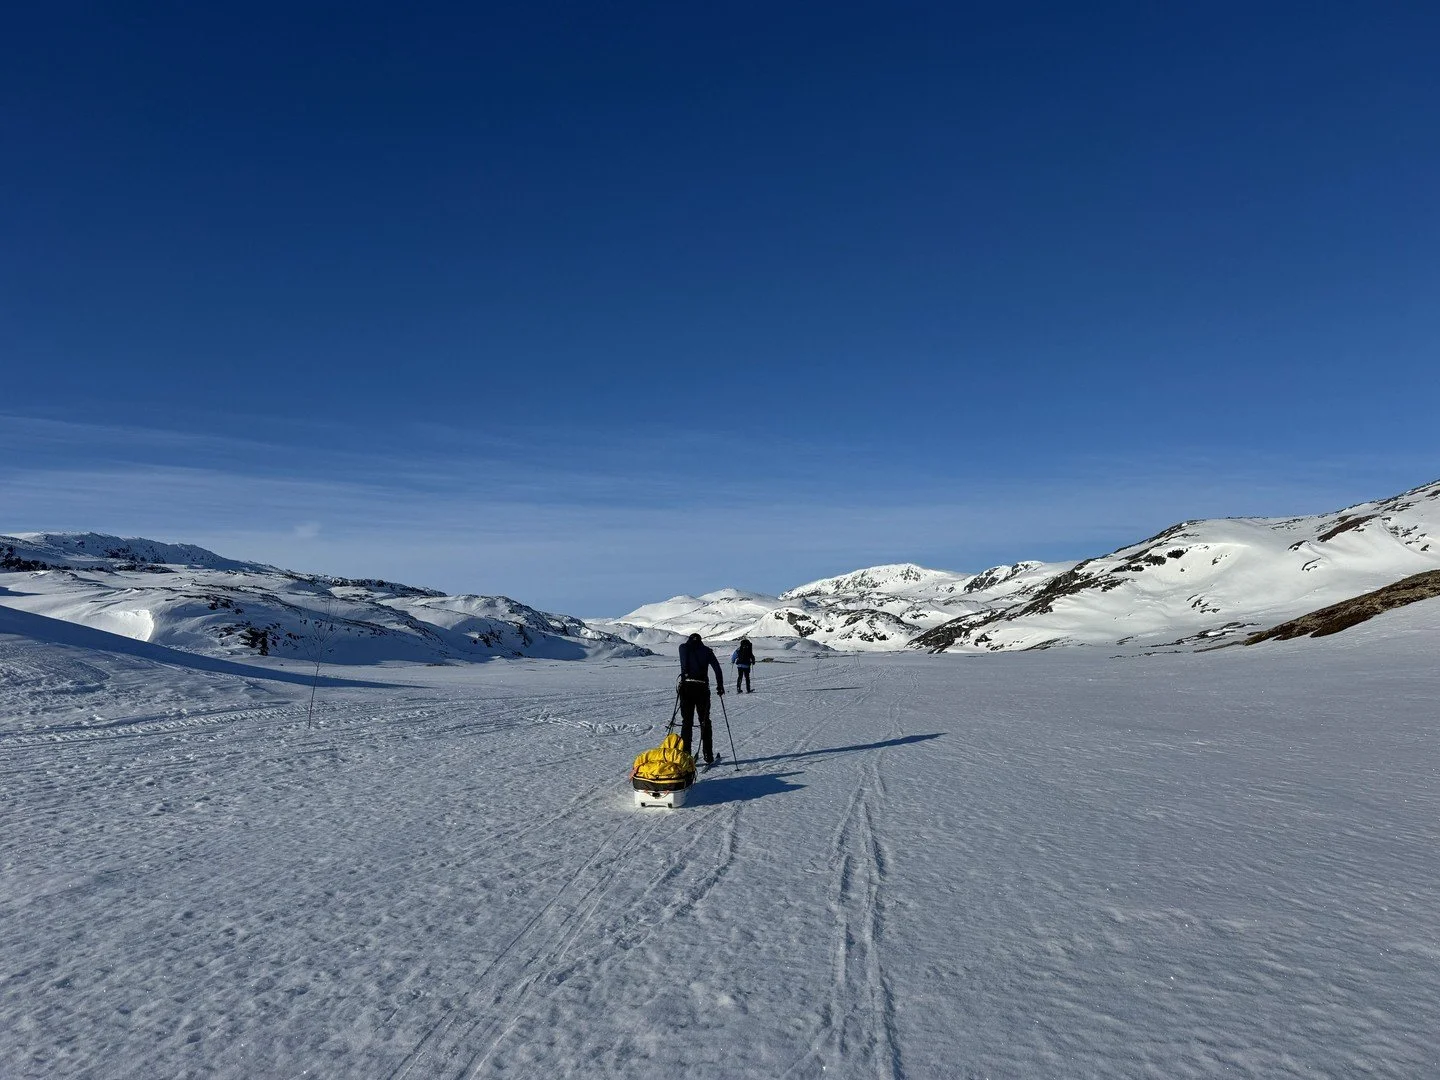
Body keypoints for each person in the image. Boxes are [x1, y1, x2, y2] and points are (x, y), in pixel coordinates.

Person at [677, 632, 724, 764]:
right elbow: (717, 668)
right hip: (702, 689)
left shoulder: (683, 648)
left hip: (686, 688)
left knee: (687, 722)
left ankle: (686, 755)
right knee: (705, 721)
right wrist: (720, 686)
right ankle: (708, 754)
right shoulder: (707, 651)